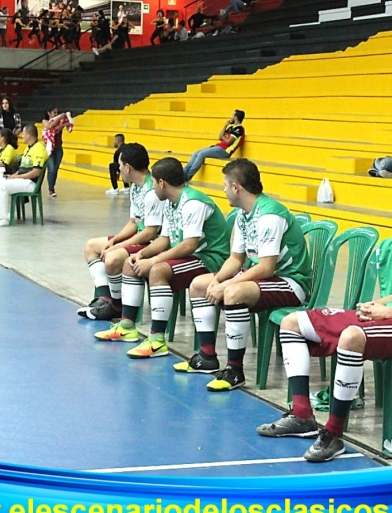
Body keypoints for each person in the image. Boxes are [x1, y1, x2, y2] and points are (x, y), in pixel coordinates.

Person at [256, 178, 392, 462]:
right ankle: (301, 415)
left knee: (351, 337)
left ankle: (333, 434)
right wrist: (378, 305)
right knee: (293, 322)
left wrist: (389, 312)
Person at [174, 158, 312, 392]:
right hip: (263, 278)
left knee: (234, 291)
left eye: (226, 186)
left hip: (289, 281)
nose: (224, 190)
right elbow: (236, 259)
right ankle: (207, 357)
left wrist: (227, 285)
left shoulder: (270, 215)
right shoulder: (243, 215)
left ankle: (235, 370)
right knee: (199, 284)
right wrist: (217, 280)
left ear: (236, 187)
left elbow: (267, 267)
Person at [93, 157, 230, 360]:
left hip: (210, 259)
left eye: (154, 182)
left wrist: (154, 261)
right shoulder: (171, 203)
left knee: (158, 270)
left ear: (162, 183)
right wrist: (141, 254)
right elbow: (165, 239)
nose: (152, 186)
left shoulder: (193, 202)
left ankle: (157, 341)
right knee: (131, 264)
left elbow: (189, 245)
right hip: (189, 256)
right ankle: (127, 327)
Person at [78, 143, 164, 320]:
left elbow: (150, 232)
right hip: (139, 237)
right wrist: (114, 240)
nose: (118, 170)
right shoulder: (135, 188)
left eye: (119, 165)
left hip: (153, 243)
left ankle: (116, 306)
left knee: (112, 258)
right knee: (91, 246)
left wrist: (117, 247)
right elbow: (134, 222)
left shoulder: (151, 191)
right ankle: (104, 298)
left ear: (128, 167)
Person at [0, 124, 48, 228]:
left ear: (28, 136)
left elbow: (36, 172)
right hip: (22, 180)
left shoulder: (39, 149)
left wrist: (16, 178)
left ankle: (2, 219)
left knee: (1, 187)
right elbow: (22, 169)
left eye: (23, 133)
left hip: (30, 183)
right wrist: (12, 176)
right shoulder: (28, 149)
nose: (21, 136)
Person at [184, 110, 245, 181]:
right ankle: (184, 172)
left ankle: (188, 176)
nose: (231, 117)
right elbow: (219, 137)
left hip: (225, 151)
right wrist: (225, 126)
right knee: (196, 153)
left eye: (233, 115)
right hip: (218, 147)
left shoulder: (239, 129)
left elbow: (228, 142)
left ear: (236, 117)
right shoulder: (231, 127)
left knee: (201, 154)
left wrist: (223, 136)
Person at [42, 107, 66, 197]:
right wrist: (61, 117)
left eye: (57, 112)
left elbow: (66, 125)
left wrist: (66, 121)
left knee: (55, 170)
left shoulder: (59, 122)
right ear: (49, 113)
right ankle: (51, 188)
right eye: (54, 113)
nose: (56, 114)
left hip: (58, 148)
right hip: (49, 149)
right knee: (51, 169)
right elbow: (50, 126)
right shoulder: (45, 121)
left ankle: (52, 186)